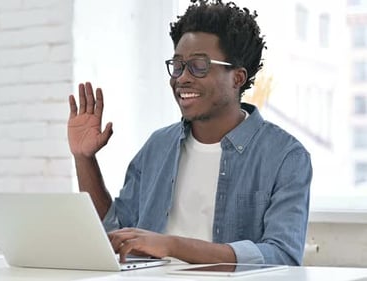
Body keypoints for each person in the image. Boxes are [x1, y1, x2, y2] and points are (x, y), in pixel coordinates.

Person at [67, 0, 312, 266]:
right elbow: (116, 231)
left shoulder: (285, 156)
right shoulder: (158, 146)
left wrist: (171, 245)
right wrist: (84, 159)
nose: (182, 78)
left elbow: (282, 256)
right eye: (177, 65)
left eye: (199, 65)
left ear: (237, 78)